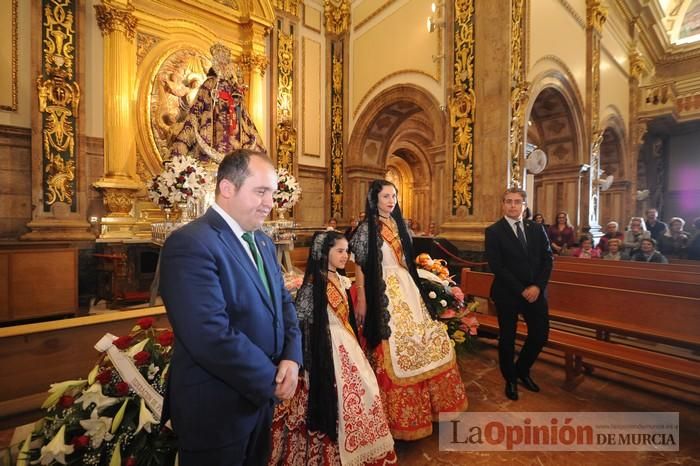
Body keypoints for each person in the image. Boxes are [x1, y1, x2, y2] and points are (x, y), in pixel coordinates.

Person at [160, 149, 303, 466]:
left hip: (258, 403)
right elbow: (209, 334)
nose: (270, 203)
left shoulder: (262, 241)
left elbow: (283, 305)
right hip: (215, 408)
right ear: (227, 188)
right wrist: (273, 379)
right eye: (261, 191)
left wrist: (292, 358)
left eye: (273, 193)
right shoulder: (190, 243)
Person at [349, 180, 467, 440]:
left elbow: (405, 260)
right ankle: (394, 417)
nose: (391, 201)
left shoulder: (398, 224)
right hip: (382, 289)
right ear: (374, 200)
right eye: (386, 197)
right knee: (396, 346)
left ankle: (433, 407)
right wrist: (362, 298)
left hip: (406, 287)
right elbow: (360, 264)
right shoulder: (366, 228)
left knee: (427, 340)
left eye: (394, 196)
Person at [269, 231, 396, 465]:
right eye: (339, 251)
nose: (345, 256)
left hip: (346, 346)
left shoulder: (338, 278)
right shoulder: (312, 285)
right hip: (323, 353)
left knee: (363, 392)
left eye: (346, 251)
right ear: (322, 252)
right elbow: (301, 326)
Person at [485, 188, 553, 401]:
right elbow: (497, 266)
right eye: (508, 201)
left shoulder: (537, 228)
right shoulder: (494, 231)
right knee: (508, 338)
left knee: (540, 334)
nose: (513, 205)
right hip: (508, 292)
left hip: (535, 291)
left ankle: (522, 369)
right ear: (503, 204)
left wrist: (537, 287)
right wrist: (521, 289)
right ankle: (510, 379)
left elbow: (548, 259)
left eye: (517, 202)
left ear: (524, 205)